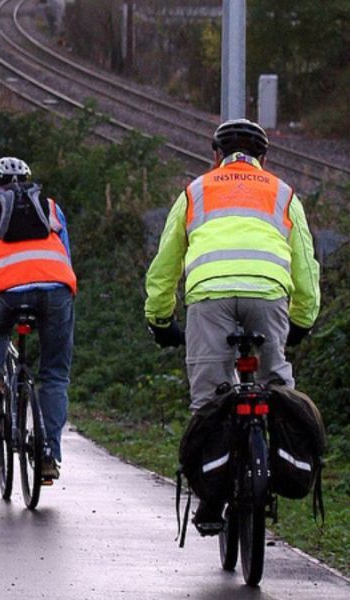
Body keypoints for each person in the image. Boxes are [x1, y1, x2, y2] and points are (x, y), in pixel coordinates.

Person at [144, 118, 320, 534]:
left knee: (208, 399)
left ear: (215, 155)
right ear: (264, 157)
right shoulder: (283, 194)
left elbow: (165, 265)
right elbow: (306, 267)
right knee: (278, 388)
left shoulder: (196, 192)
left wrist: (160, 319)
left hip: (210, 296)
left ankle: (210, 497)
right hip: (267, 294)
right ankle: (279, 467)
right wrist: (302, 320)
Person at [0, 156, 76, 483]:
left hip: (7, 292)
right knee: (54, 374)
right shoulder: (50, 207)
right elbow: (65, 256)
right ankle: (49, 453)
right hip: (56, 289)